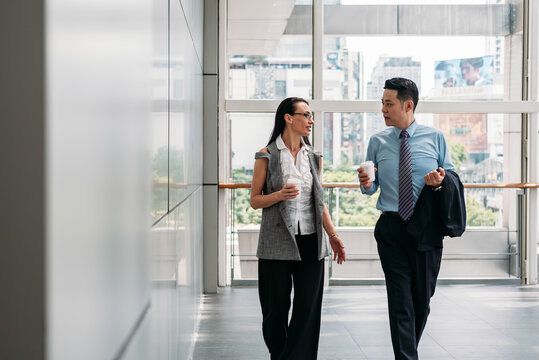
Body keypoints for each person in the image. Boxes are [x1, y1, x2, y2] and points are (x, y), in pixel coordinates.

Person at [358, 78, 457, 360]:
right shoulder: (377, 141)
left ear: (408, 105)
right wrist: (366, 182)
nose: (383, 110)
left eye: (388, 104)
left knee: (421, 302)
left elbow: (450, 179)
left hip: (426, 228)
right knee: (400, 301)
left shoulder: (435, 137)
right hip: (391, 228)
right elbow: (370, 188)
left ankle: (407, 351)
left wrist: (439, 181)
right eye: (382, 104)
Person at [251, 97, 346, 360]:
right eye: (305, 115)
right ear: (288, 118)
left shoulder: (314, 156)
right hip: (276, 243)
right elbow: (255, 200)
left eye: (311, 115)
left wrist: (333, 235)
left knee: (308, 308)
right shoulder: (266, 155)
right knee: (275, 311)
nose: (311, 120)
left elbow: (319, 202)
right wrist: (280, 194)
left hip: (311, 241)